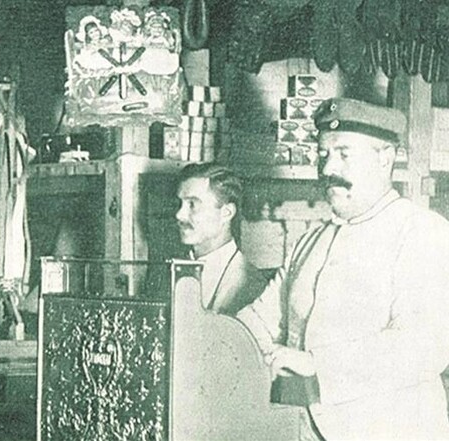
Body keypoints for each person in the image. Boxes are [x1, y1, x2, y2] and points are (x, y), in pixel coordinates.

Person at [237, 98, 449, 440]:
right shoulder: (310, 241)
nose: (327, 168)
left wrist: (315, 363)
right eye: (323, 154)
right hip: (303, 429)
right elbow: (261, 319)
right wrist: (219, 340)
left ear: (385, 157)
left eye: (344, 154)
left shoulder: (422, 231)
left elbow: (422, 345)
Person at [176, 163, 266, 315]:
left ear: (226, 213)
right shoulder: (174, 271)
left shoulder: (250, 286)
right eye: (180, 203)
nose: (179, 215)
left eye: (192, 204)